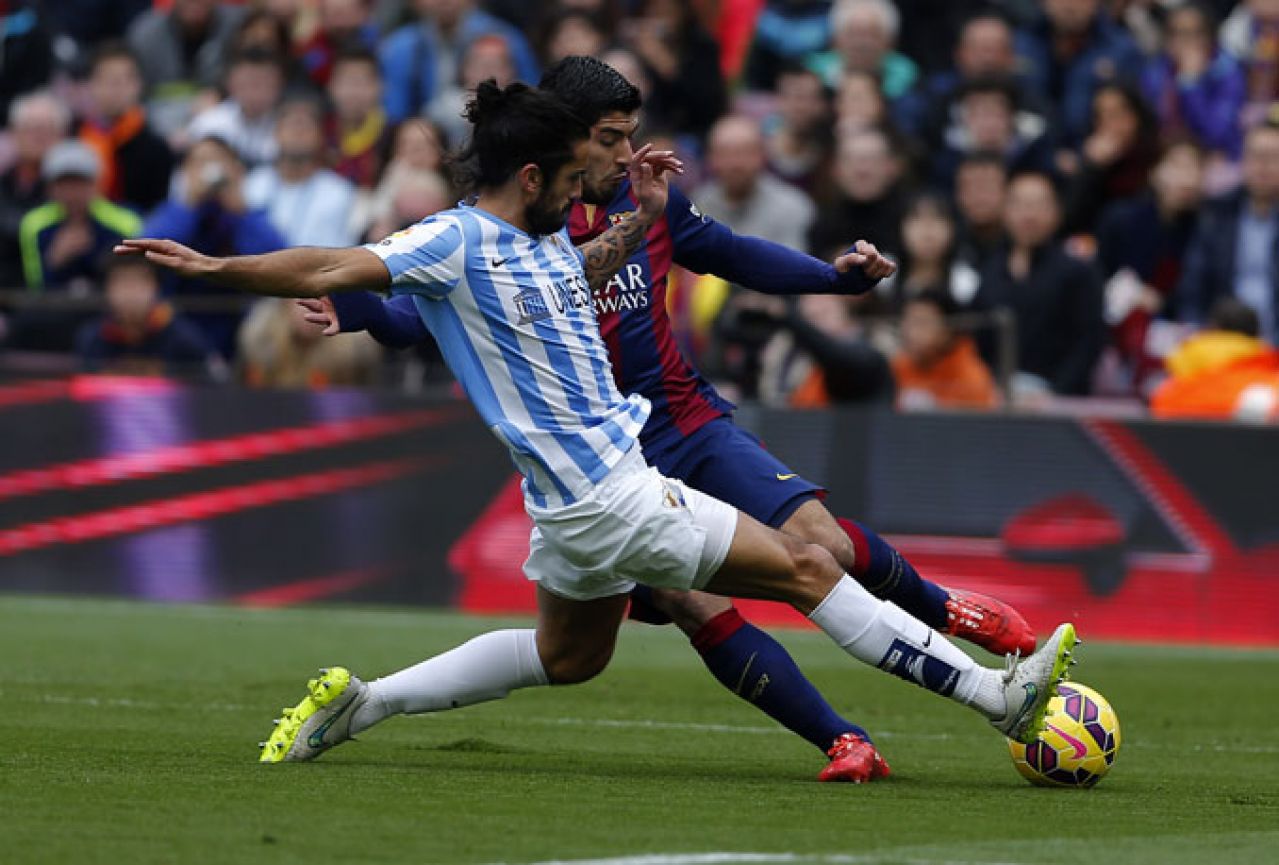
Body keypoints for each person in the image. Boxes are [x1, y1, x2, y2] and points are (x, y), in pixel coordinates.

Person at [119, 79, 1078, 784]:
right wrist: (211, 269)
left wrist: (640, 224)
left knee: (570, 657)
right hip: (610, 492)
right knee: (808, 567)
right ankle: (999, 698)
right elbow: (330, 264)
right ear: (532, 174)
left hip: (568, 505)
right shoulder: (451, 241)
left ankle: (361, 702)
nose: (598, 184)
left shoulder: (545, 238)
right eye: (581, 171)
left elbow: (579, 267)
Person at [142, 135, 287, 357]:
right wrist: (191, 204)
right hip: (178, 321)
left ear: (235, 170)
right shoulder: (173, 212)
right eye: (199, 162)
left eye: (217, 161)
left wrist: (238, 210)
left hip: (239, 322)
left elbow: (279, 258)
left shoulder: (247, 214)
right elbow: (147, 251)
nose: (208, 170)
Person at [973, 170, 1105, 399]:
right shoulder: (989, 269)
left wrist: (1056, 393)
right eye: (1020, 204)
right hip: (994, 394)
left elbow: (1088, 342)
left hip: (1055, 399)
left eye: (1039, 205)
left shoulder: (1078, 271)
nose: (1028, 215)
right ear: (1005, 211)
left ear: (1056, 212)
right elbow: (978, 338)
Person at [1178, 118, 1279, 343]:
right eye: (1256, 156)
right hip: (1225, 340)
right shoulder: (1216, 213)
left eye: (1272, 157)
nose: (1263, 166)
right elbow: (1194, 285)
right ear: (1243, 161)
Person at [378, 0, 539, 123]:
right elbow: (394, 115)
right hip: (425, 144)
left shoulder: (506, 38)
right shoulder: (397, 48)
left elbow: (531, 97)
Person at [75, 254, 221, 379]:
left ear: (156, 287)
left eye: (140, 281)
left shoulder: (185, 340)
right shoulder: (92, 339)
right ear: (107, 289)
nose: (131, 292)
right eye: (121, 281)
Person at [245, 97, 359, 248]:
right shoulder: (252, 184)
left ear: (320, 137)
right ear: (276, 133)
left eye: (306, 127)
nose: (298, 133)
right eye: (291, 125)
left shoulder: (339, 192)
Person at [78, 41, 175, 215]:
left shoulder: (157, 149)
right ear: (91, 85)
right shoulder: (76, 141)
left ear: (138, 85)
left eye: (123, 80)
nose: (115, 89)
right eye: (107, 80)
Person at [693, 115, 814, 254]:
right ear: (710, 158)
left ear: (763, 155)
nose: (735, 164)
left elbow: (795, 267)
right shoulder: (697, 204)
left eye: (745, 152)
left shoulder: (793, 206)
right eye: (725, 153)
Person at [892, 288, 999, 410]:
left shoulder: (971, 379)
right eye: (907, 322)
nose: (910, 333)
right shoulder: (896, 368)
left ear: (948, 330)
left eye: (921, 323)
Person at [185, 48, 285, 170]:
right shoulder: (209, 124)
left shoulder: (292, 126)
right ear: (231, 84)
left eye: (265, 84)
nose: (256, 93)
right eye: (249, 84)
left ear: (279, 85)